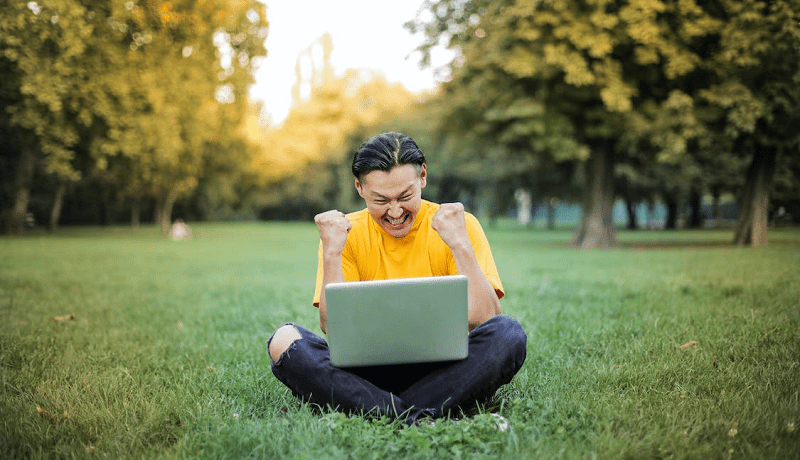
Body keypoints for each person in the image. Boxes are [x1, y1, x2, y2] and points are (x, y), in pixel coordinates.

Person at [267, 132, 527, 425]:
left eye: (405, 196)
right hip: (367, 371)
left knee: (508, 333)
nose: (394, 212)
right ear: (359, 187)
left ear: (423, 177)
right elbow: (332, 328)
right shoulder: (343, 233)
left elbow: (487, 319)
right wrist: (331, 252)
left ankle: (375, 409)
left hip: (444, 371)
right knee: (283, 340)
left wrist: (460, 244)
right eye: (380, 200)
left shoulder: (458, 225)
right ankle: (419, 415)